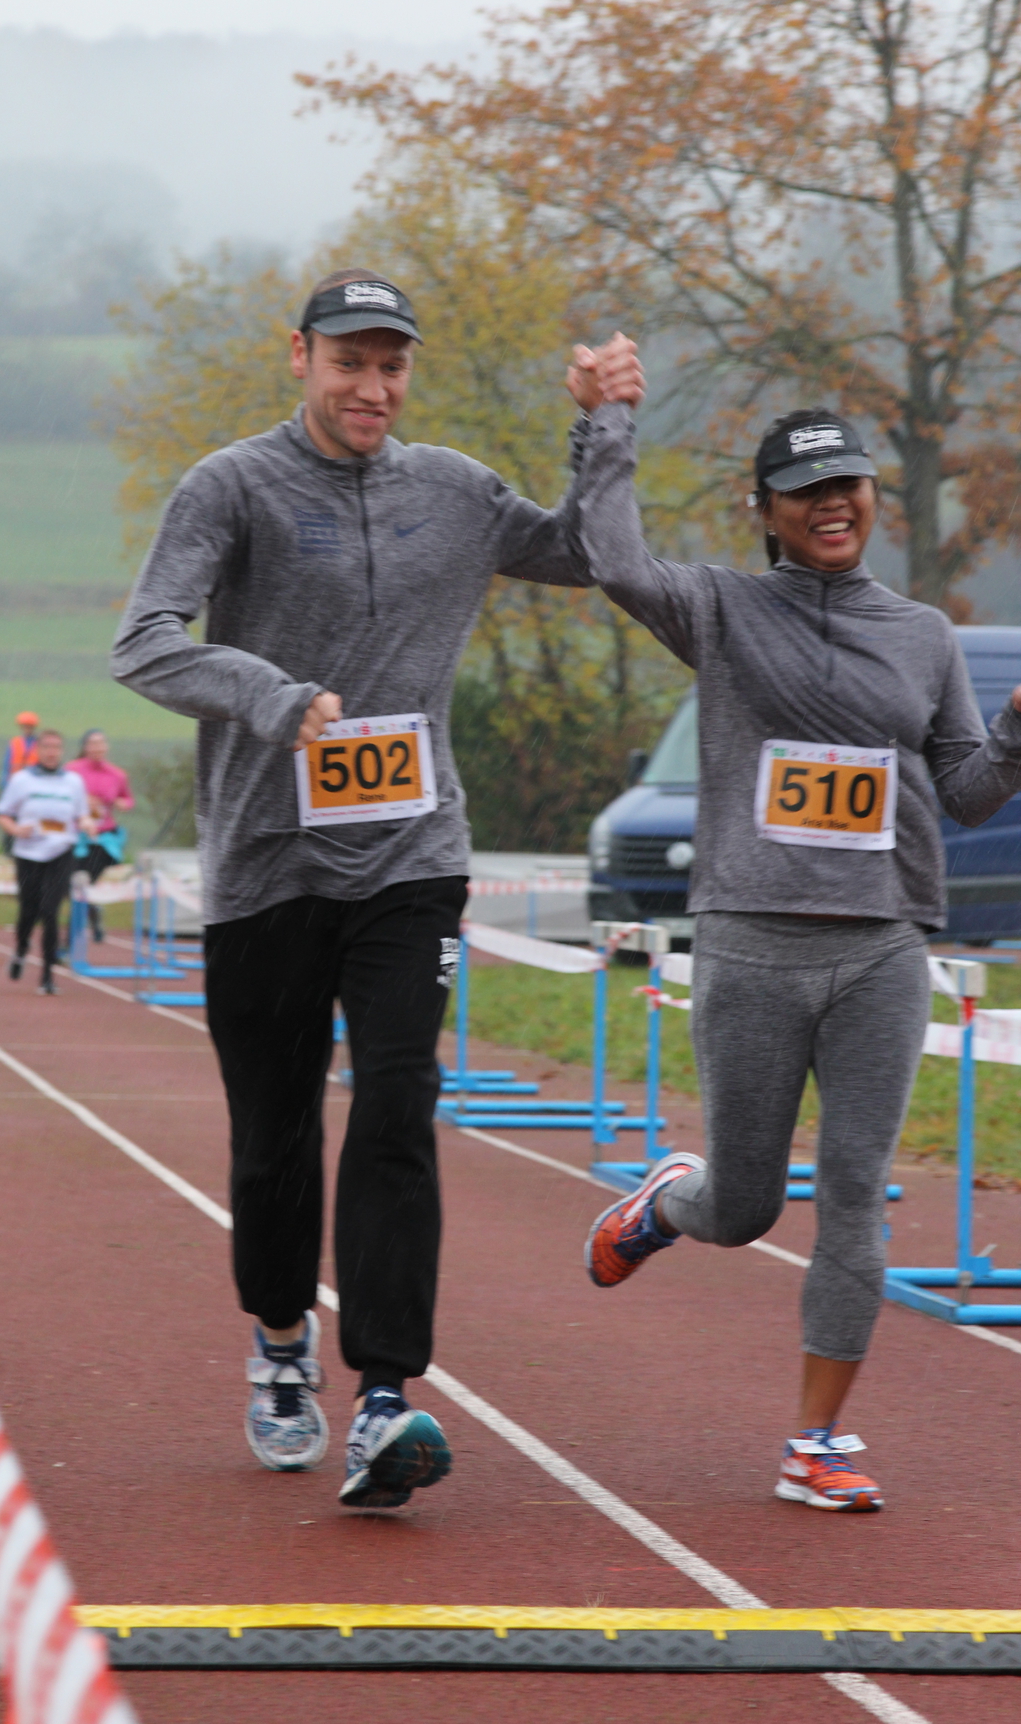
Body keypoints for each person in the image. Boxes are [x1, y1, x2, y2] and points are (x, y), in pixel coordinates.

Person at [111, 267, 601, 1509]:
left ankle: (385, 1391)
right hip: (267, 868)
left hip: (411, 859)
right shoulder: (230, 486)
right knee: (274, 1133)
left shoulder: (455, 490)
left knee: (396, 1102)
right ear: (301, 357)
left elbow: (584, 552)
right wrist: (271, 696)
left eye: (392, 366)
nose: (373, 388)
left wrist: (603, 429)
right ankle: (283, 1341)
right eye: (350, 363)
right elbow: (145, 642)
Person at [574, 338, 1021, 1512]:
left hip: (882, 948)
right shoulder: (723, 608)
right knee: (745, 1206)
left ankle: (816, 1440)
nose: (834, 504)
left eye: (849, 485)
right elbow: (612, 558)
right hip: (751, 945)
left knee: (858, 1193)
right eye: (807, 490)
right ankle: (667, 1201)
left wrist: (1018, 732)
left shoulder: (922, 634)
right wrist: (607, 421)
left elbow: (967, 789)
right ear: (766, 511)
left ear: (873, 498)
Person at [0, 728, 95, 995]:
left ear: (62, 751)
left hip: (61, 852)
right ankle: (21, 948)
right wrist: (16, 830)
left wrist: (87, 824)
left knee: (51, 912)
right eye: (47, 747)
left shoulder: (73, 782)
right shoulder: (22, 780)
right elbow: (3, 814)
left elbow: (82, 814)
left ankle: (47, 975)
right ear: (38, 751)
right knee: (28, 911)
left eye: (56, 748)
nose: (52, 752)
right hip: (28, 854)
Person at [67, 729, 135, 944]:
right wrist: (82, 800)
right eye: (93, 743)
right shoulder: (72, 770)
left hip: (103, 838)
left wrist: (122, 804)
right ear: (85, 747)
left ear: (106, 747)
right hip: (76, 836)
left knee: (83, 883)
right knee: (73, 885)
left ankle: (70, 940)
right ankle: (93, 911)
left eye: (101, 743)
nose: (97, 748)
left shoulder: (117, 774)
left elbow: (127, 799)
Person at [0, 711, 40, 856]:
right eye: (25, 726)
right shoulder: (15, 743)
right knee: (9, 819)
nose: (27, 728)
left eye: (29, 726)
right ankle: (8, 850)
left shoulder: (39, 744)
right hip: (13, 787)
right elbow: (6, 766)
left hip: (32, 788)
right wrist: (4, 786)